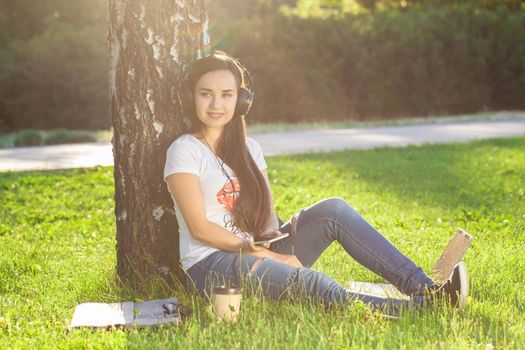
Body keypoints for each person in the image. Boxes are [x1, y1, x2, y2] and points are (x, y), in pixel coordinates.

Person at [163, 51, 468, 315]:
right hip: (212, 264)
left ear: (240, 100)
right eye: (206, 93)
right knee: (315, 283)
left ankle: (427, 290)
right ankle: (417, 311)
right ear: (192, 98)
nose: (216, 103)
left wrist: (278, 238)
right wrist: (269, 255)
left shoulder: (250, 149)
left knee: (333, 210)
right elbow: (200, 228)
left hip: (257, 250)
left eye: (226, 94)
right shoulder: (185, 150)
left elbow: (266, 215)